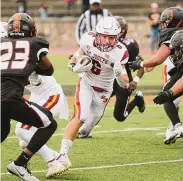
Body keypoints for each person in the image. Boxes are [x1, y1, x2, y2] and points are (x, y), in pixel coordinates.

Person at [57, 17, 129, 173]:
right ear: (97, 34)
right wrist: (73, 66)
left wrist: (119, 74)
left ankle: (79, 133)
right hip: (87, 84)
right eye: (104, 36)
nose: (108, 41)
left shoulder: (120, 52)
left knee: (86, 128)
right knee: (80, 115)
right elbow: (78, 54)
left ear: (117, 37)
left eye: (111, 37)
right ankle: (62, 155)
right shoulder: (88, 39)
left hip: (104, 91)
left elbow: (125, 83)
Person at [1, 13, 63, 180]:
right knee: (49, 124)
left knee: (2, 130)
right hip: (11, 99)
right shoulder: (35, 43)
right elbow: (48, 70)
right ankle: (20, 164)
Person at [77, 16, 146, 138]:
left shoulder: (128, 46)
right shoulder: (99, 40)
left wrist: (135, 81)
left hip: (122, 81)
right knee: (93, 104)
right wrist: (78, 59)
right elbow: (88, 52)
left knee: (119, 116)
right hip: (105, 79)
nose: (107, 39)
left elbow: (141, 64)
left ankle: (137, 100)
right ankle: (85, 130)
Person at [129, 7, 183, 144]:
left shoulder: (172, 34)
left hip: (175, 68)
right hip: (177, 69)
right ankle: (175, 126)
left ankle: (175, 126)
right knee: (170, 96)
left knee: (170, 96)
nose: (163, 24)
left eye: (167, 21)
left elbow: (159, 58)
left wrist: (141, 64)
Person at [15, 72, 69, 178]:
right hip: (37, 96)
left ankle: (53, 162)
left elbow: (41, 74)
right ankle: (59, 158)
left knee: (21, 129)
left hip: (51, 95)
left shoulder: (19, 59)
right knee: (25, 143)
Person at [153, 30, 183, 143]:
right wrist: (169, 93)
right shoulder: (179, 62)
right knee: (166, 95)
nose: (176, 53)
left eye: (177, 49)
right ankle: (177, 126)